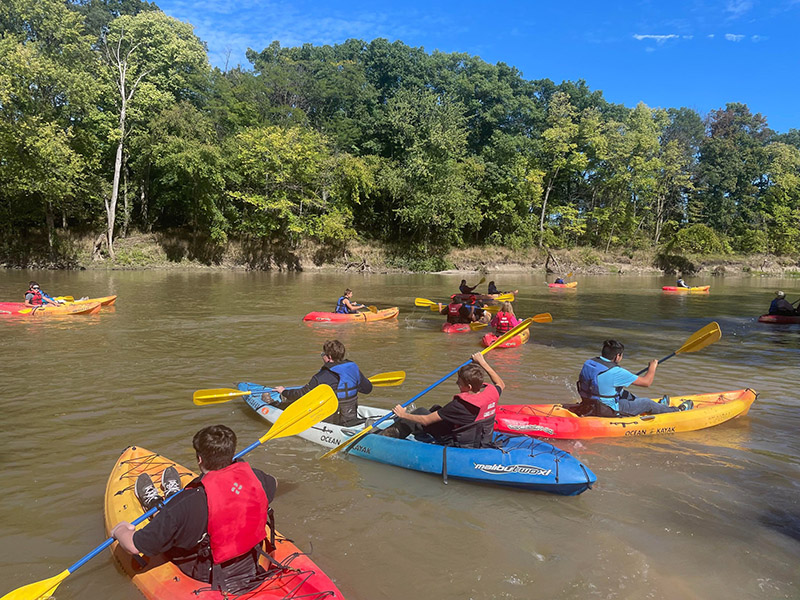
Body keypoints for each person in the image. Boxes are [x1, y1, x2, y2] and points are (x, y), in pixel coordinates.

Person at [110, 425, 278, 594]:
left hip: (206, 574)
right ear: (231, 454)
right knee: (183, 514)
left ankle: (157, 507)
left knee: (175, 516)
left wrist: (120, 530)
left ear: (199, 459)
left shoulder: (186, 505)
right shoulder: (257, 478)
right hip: (248, 561)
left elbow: (133, 546)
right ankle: (171, 497)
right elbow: (274, 484)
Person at [382, 353, 503, 448]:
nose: (457, 384)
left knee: (419, 414)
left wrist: (402, 414)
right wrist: (483, 362)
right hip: (480, 439)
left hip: (459, 443)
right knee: (435, 409)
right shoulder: (492, 392)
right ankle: (416, 432)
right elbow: (500, 383)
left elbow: (426, 420)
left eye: (460, 383)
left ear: (469, 387)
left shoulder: (460, 405)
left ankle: (381, 439)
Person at [576, 339, 693, 417]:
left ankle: (660, 407)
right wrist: (652, 367)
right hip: (608, 409)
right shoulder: (617, 372)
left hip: (589, 402)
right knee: (646, 403)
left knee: (624, 393)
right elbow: (647, 382)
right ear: (617, 356)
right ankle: (677, 411)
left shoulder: (589, 363)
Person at [273, 340, 373, 426]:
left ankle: (274, 405)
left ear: (329, 357)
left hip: (332, 422)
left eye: (323, 355)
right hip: (351, 416)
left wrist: (284, 391)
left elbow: (301, 394)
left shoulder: (321, 377)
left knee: (297, 402)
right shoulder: (353, 369)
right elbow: (367, 389)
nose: (322, 357)